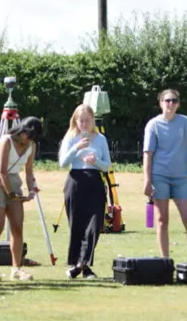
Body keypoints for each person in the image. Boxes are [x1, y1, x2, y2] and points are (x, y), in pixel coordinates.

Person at [142, 88, 187, 262]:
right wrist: (147, 180)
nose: (170, 104)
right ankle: (165, 261)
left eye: (174, 100)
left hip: (180, 178)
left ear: (178, 104)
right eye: (167, 100)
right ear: (160, 103)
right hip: (159, 177)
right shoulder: (153, 124)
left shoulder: (185, 122)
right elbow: (148, 154)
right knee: (161, 220)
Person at [0, 116, 43, 282]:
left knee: (17, 227)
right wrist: (11, 194)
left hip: (14, 182)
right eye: (27, 134)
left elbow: (29, 172)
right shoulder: (6, 141)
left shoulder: (31, 145)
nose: (28, 138)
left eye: (32, 136)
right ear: (21, 129)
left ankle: (16, 269)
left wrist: (31, 191)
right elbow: (2, 171)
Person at [58, 104, 110, 279]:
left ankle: (81, 264)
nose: (85, 124)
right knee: (77, 225)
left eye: (88, 120)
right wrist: (77, 148)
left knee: (94, 226)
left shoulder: (100, 138)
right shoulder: (71, 137)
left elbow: (107, 165)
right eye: (81, 121)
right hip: (76, 182)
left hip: (94, 181)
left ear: (93, 120)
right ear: (76, 121)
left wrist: (95, 161)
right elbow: (63, 163)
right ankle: (80, 265)